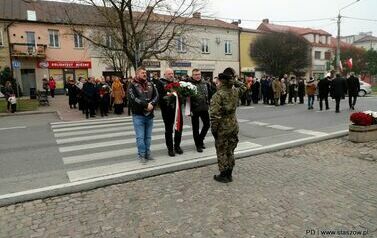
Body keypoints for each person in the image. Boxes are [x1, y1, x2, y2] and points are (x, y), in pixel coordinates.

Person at [210, 68, 247, 183]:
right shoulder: (234, 92)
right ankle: (229, 173)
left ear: (221, 82)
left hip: (222, 127)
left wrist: (214, 130)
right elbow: (244, 86)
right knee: (230, 150)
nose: (217, 83)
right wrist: (233, 81)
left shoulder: (218, 95)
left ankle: (223, 175)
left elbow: (214, 116)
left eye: (218, 81)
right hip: (233, 125)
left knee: (221, 150)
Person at [128, 67, 159, 163]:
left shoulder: (150, 84)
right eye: (142, 73)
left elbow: (157, 96)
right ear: (137, 74)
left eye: (145, 72)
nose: (145, 74)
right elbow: (133, 98)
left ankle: (147, 153)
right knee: (140, 137)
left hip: (149, 115)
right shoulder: (132, 85)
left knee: (148, 137)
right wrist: (146, 105)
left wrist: (152, 104)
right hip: (138, 115)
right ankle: (141, 154)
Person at [155, 68, 184, 157]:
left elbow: (180, 95)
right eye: (169, 74)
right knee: (169, 130)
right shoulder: (160, 83)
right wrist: (169, 96)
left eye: (172, 73)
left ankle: (177, 146)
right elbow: (159, 97)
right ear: (165, 75)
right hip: (167, 111)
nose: (171, 75)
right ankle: (170, 148)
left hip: (177, 110)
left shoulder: (176, 83)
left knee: (178, 128)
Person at [188, 69, 211, 153]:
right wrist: (189, 109)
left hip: (204, 108)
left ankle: (200, 140)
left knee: (207, 124)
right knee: (195, 128)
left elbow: (210, 94)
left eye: (198, 74)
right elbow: (186, 99)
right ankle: (198, 145)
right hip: (194, 109)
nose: (197, 76)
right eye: (195, 74)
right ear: (192, 75)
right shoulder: (189, 84)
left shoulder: (205, 83)